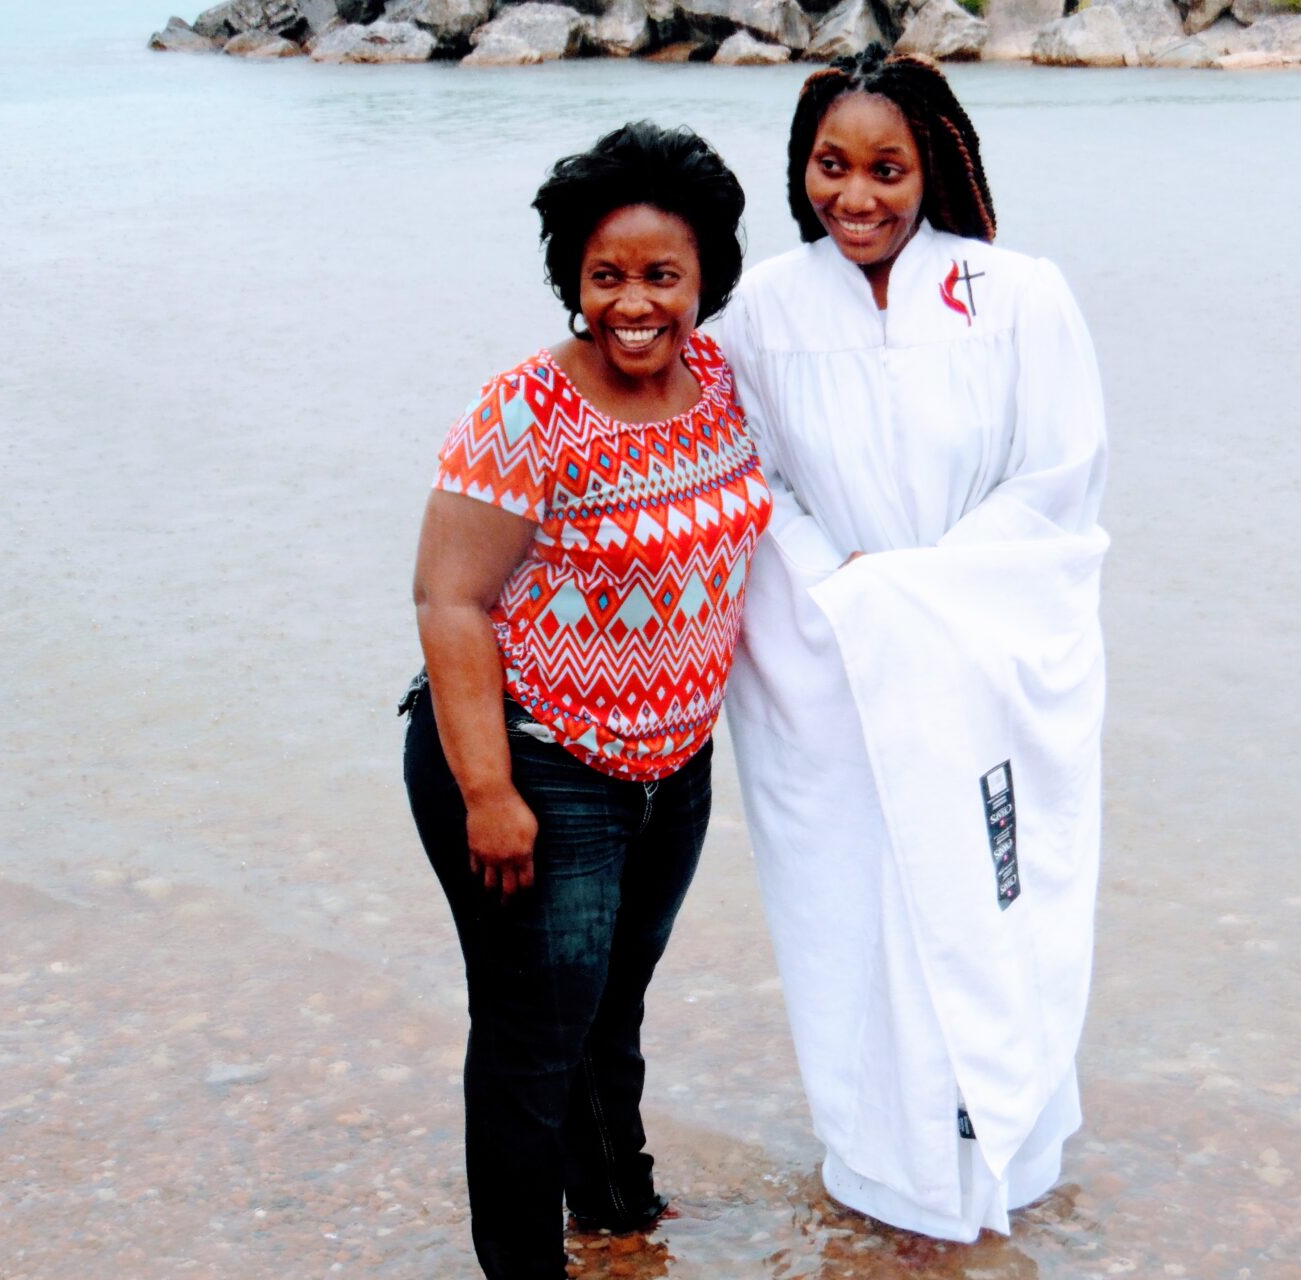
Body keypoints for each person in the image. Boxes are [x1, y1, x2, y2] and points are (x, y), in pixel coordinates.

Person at [719, 47, 1110, 1242]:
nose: (859, 197)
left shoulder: (1017, 294)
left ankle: (1009, 1150)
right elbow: (753, 480)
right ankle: (885, 1162)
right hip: (830, 650)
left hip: (984, 655)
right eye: (831, 167)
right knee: (857, 902)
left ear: (931, 164)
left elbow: (1061, 473)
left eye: (887, 168)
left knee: (1000, 889)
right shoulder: (764, 313)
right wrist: (850, 591)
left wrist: (927, 596)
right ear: (802, 172)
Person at [401, 121, 770, 1279]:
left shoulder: (718, 379)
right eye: (606, 275)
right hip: (532, 760)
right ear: (573, 277)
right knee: (531, 1033)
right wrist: (489, 789)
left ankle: (617, 1209)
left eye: (662, 274)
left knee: (612, 1006)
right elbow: (448, 598)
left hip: (672, 768)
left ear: (705, 274)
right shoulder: (528, 411)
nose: (635, 303)